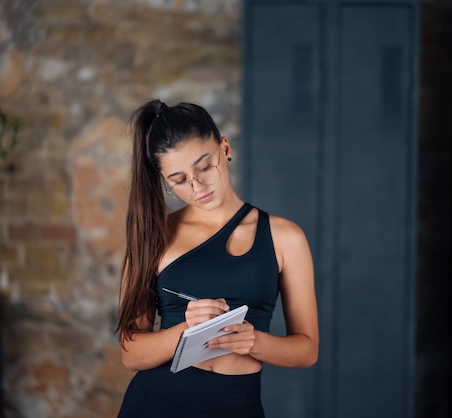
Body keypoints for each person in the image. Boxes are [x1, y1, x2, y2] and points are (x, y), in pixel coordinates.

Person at [116, 100, 319, 417]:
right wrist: (187, 330)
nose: (197, 186)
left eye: (204, 166)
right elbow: (131, 353)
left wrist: (254, 341)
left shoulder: (285, 237)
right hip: (158, 402)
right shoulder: (155, 237)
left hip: (238, 407)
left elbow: (307, 350)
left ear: (224, 148)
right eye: (180, 180)